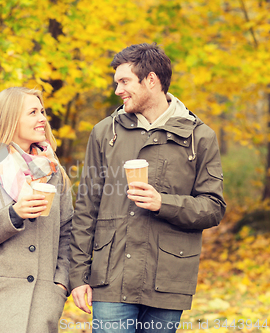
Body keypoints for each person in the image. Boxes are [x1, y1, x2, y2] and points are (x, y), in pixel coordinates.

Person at [69, 43, 226, 333]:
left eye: (124, 81)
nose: (117, 90)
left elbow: (213, 208)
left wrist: (162, 203)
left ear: (151, 80)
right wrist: (77, 275)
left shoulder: (199, 137)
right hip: (110, 279)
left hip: (168, 280)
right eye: (117, 83)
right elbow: (85, 208)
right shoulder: (105, 132)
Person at [0, 87, 73, 333]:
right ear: (10, 120)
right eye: (33, 112)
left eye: (42, 111)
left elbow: (67, 234)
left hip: (41, 304)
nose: (42, 118)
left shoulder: (54, 172)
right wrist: (14, 214)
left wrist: (60, 285)